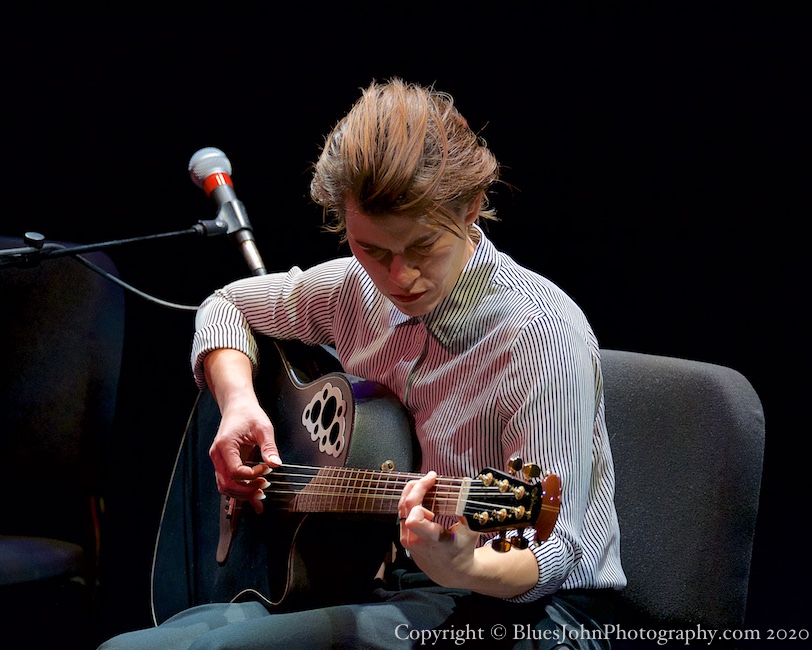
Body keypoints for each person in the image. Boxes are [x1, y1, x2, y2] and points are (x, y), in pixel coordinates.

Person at [99, 78, 626, 649]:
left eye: (423, 248)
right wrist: (238, 405)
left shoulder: (540, 334)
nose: (398, 279)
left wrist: (462, 567)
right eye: (371, 250)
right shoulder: (353, 293)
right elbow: (225, 306)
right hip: (384, 586)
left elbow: (554, 546)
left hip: (537, 615)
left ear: (472, 208)